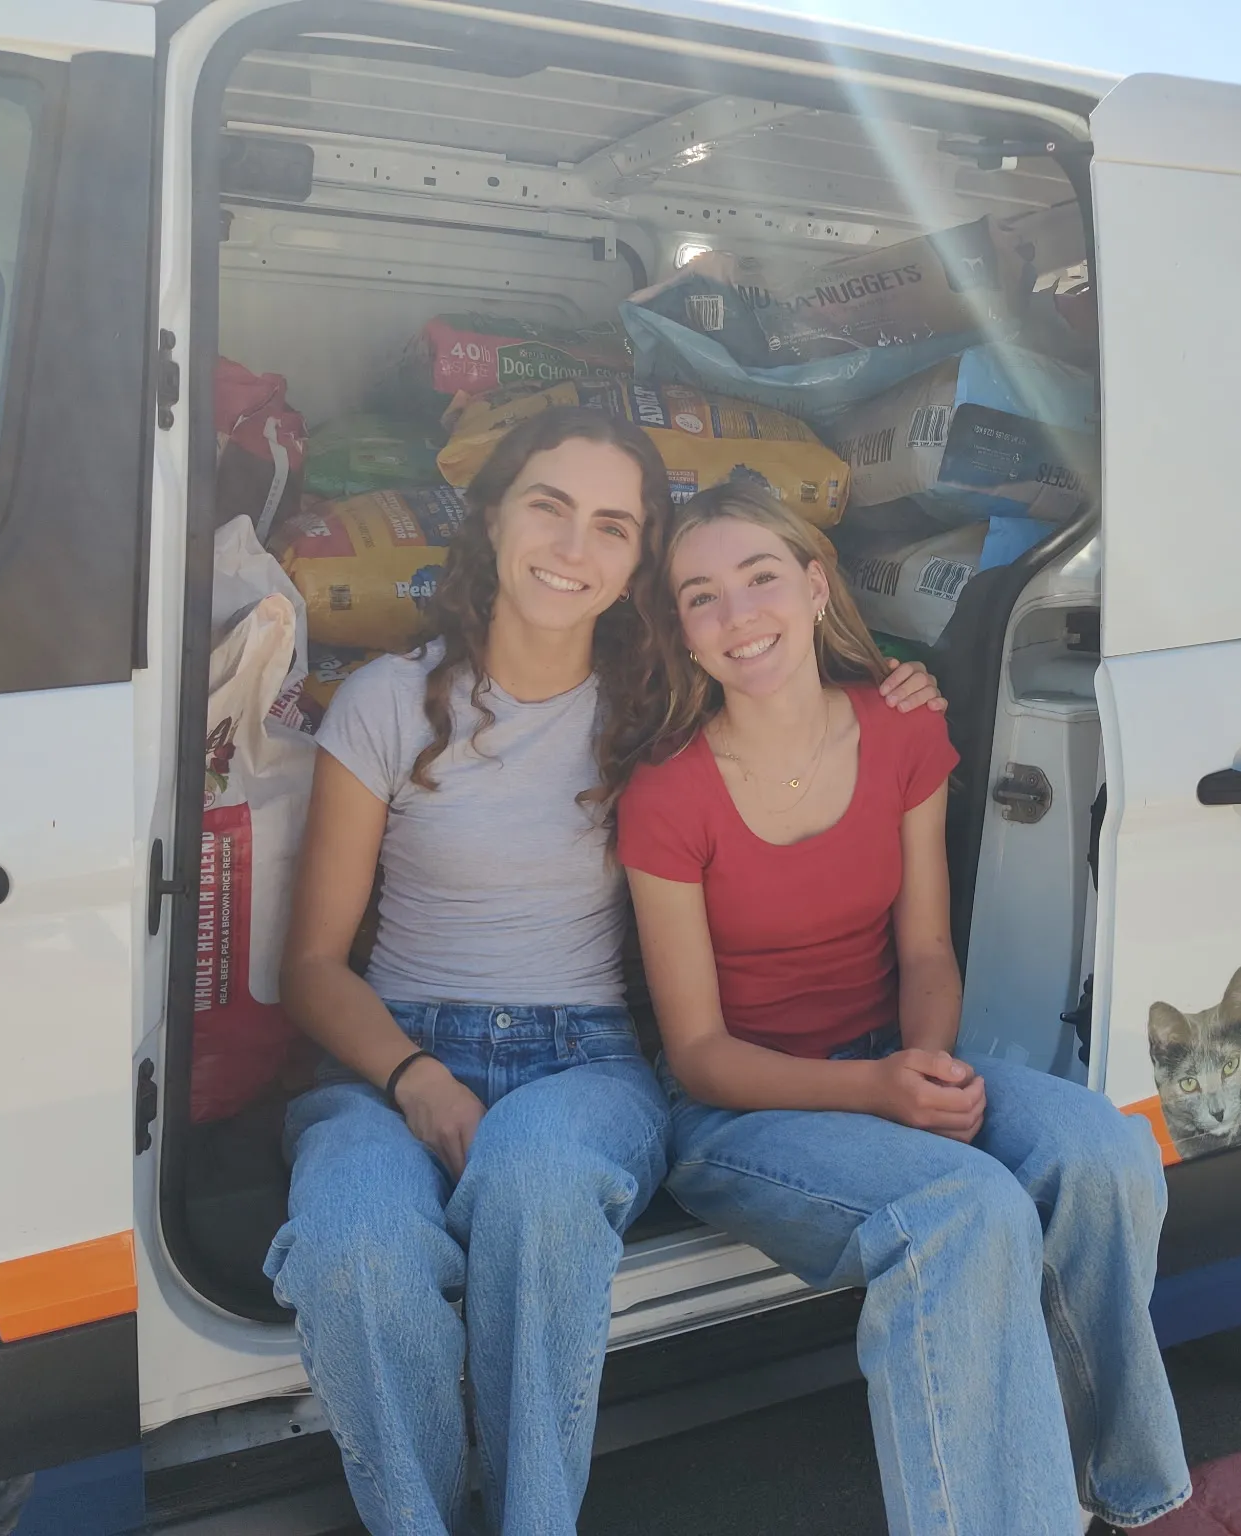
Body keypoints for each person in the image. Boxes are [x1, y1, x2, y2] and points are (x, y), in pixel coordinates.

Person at [266, 408, 944, 1536]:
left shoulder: (658, 707)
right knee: (351, 1251)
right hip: (391, 1053)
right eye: (549, 506)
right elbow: (310, 968)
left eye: (613, 527)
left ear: (638, 562)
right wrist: (418, 1080)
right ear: (491, 516)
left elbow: (794, 701)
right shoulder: (391, 698)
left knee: (536, 1187)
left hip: (583, 1056)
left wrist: (900, 688)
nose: (573, 545)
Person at [619, 481, 1191, 1536]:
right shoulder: (666, 793)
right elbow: (697, 1054)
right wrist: (876, 1094)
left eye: (758, 578)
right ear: (680, 633)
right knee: (961, 1214)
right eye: (700, 598)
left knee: (1103, 1152)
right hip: (743, 1111)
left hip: (891, 1057)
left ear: (813, 582)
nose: (738, 615)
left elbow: (926, 948)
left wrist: (919, 1071)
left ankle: (1119, 1488)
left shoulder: (898, 730)